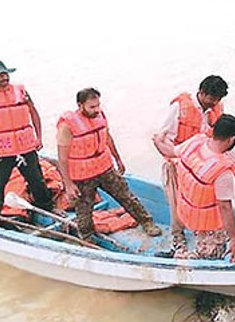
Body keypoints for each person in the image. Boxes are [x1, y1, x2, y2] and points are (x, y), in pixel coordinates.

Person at [156, 75, 235, 254]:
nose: (215, 102)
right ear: (201, 93)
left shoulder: (216, 109)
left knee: (203, 203)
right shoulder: (179, 108)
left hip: (202, 165)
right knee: (178, 204)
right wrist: (181, 161)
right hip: (180, 162)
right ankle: (178, 241)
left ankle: (201, 236)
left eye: (219, 99)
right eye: (213, 98)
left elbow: (223, 139)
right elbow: (163, 138)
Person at [57, 87, 162, 240]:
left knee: (126, 196)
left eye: (98, 105)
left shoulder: (100, 116)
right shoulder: (67, 126)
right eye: (92, 107)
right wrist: (68, 184)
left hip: (104, 167)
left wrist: (117, 158)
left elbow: (107, 137)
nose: (96, 109)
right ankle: (86, 237)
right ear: (80, 105)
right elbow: (62, 157)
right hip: (82, 174)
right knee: (84, 209)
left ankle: (146, 222)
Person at [0, 60, 55, 219]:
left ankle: (46, 209)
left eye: (5, 74)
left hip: (25, 146)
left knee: (37, 180)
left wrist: (39, 137)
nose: (4, 77)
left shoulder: (21, 91)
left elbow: (33, 112)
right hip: (0, 151)